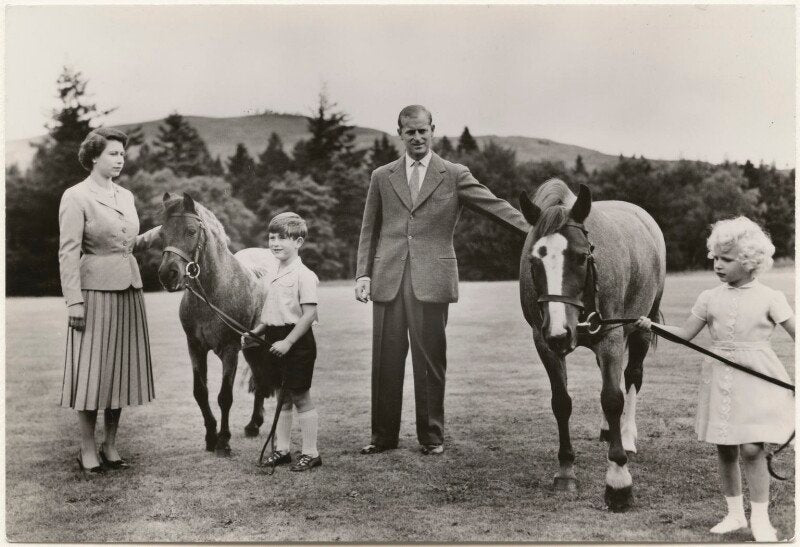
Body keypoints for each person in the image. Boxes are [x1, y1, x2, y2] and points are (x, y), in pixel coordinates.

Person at [355, 105, 530, 456]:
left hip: (432, 280)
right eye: (410, 132)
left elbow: (496, 207)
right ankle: (383, 437)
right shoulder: (381, 176)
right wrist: (363, 274)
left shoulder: (453, 174)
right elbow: (368, 229)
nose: (417, 138)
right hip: (388, 278)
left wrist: (538, 230)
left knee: (429, 359)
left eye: (423, 131)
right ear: (400, 134)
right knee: (385, 361)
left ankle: (431, 436)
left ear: (433, 130)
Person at [635, 216, 794, 541]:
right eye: (716, 258)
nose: (718, 265)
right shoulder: (709, 297)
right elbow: (685, 334)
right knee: (725, 447)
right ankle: (735, 514)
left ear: (750, 262)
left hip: (758, 376)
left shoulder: (771, 297)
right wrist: (652, 326)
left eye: (727, 259)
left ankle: (760, 519)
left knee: (752, 448)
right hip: (720, 377)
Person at [59, 128, 161, 474]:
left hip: (129, 291)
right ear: (93, 156)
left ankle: (111, 445)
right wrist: (74, 302)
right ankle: (87, 448)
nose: (120, 160)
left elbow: (127, 246)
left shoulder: (126, 196)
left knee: (121, 371)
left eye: (122, 154)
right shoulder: (75, 196)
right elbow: (68, 253)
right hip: (93, 294)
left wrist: (162, 231)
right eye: (113, 154)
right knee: (92, 373)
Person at [242, 212, 321, 472]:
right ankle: (283, 450)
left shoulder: (305, 275)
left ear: (298, 242)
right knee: (282, 397)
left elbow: (308, 315)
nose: (275, 243)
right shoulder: (274, 273)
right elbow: (272, 311)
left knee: (300, 396)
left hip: (296, 341)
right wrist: (257, 331)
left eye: (282, 238)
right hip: (275, 338)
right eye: (272, 237)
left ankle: (311, 453)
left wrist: (287, 342)